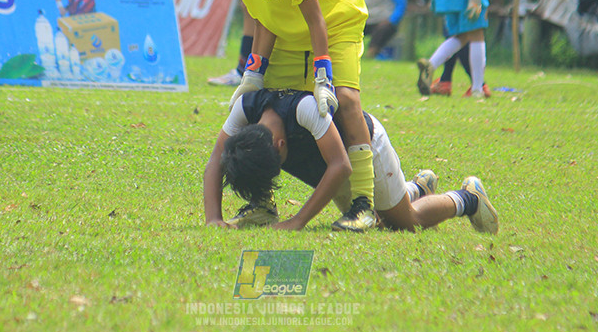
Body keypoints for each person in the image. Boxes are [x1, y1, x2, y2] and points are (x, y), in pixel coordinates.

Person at [184, 0, 375, 232]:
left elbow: (316, 19)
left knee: (346, 100)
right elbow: (265, 17)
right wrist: (254, 74)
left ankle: (364, 206)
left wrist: (322, 75)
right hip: (289, 30)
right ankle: (262, 204)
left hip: (335, 22)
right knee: (264, 109)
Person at [204, 88, 499, 234]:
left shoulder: (305, 109)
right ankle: (417, 188)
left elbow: (342, 166)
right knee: (380, 217)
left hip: (364, 149)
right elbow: (217, 158)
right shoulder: (246, 108)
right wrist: (213, 218)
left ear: (281, 145)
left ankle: (468, 198)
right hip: (329, 165)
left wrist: (297, 221)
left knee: (404, 221)